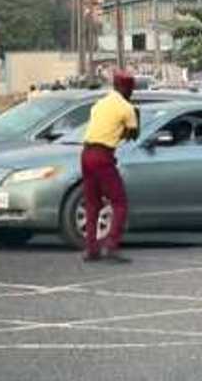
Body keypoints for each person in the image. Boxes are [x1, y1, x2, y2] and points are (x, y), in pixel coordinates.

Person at [80, 70, 139, 264]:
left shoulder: (99, 104)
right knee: (119, 202)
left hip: (86, 153)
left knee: (92, 203)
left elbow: (102, 128)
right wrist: (135, 121)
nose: (132, 92)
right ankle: (111, 246)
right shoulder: (126, 108)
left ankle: (91, 249)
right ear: (125, 88)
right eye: (131, 88)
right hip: (103, 156)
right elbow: (132, 136)